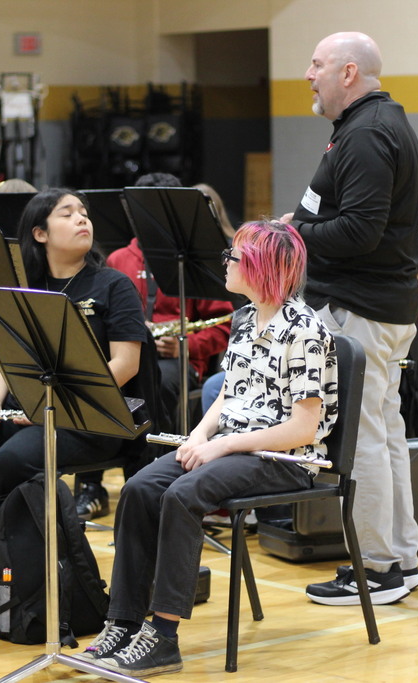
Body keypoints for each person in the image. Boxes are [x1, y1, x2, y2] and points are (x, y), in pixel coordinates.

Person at [78, 221, 337, 677]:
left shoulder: (306, 330)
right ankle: (122, 622)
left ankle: (163, 637)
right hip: (233, 446)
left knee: (182, 495)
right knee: (139, 488)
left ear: (261, 268)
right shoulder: (243, 318)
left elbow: (303, 426)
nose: (225, 264)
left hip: (285, 460)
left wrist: (223, 446)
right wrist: (200, 434)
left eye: (234, 258)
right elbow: (228, 394)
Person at [0, 188, 154, 548]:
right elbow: (5, 361)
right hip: (26, 411)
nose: (81, 218)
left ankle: (18, 548)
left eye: (83, 212)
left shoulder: (113, 285)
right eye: (67, 213)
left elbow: (126, 365)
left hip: (92, 415)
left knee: (11, 461)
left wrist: (46, 404)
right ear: (40, 234)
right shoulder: (21, 288)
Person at [279, 32, 418, 605]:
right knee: (385, 433)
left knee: (362, 438)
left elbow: (360, 232)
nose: (307, 75)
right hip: (378, 307)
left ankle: (379, 568)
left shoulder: (367, 133)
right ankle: (400, 559)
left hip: (360, 310)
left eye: (315, 65)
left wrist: (291, 234)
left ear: (347, 72)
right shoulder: (369, 125)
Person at [82, 173, 232, 521]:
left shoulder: (191, 258)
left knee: (157, 384)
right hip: (128, 355)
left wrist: (185, 346)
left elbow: (223, 327)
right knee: (95, 381)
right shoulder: (119, 258)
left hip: (177, 361)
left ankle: (153, 478)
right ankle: (92, 486)